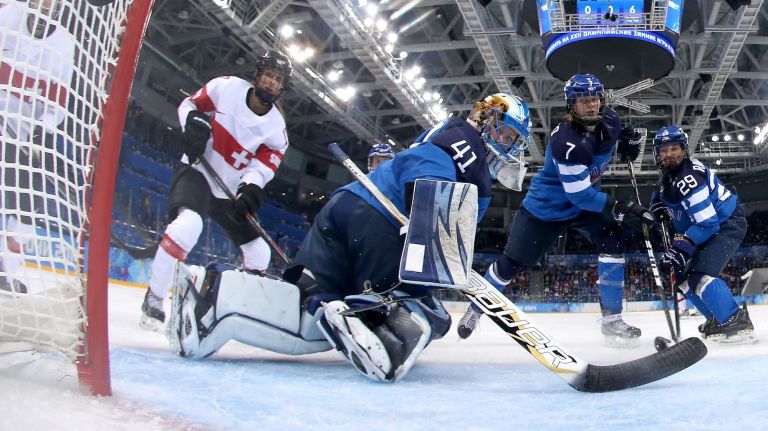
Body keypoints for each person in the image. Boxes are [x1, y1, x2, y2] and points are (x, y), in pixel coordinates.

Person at [167, 93, 534, 382]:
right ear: (485, 121)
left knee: (308, 314)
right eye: (507, 133)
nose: (510, 146)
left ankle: (211, 297)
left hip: (343, 210)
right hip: (379, 224)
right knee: (431, 313)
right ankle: (367, 319)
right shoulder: (465, 142)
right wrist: (429, 223)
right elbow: (427, 174)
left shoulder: (448, 134)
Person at [457, 73, 653, 347]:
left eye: (595, 98)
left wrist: (626, 143)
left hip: (581, 205)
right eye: (584, 100)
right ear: (571, 104)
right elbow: (580, 195)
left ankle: (611, 322)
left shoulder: (611, 120)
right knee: (509, 265)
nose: (592, 105)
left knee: (613, 241)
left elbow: (610, 144)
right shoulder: (567, 143)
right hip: (545, 211)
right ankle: (475, 310)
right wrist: (618, 207)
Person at [140, 50, 293, 330]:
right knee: (188, 226)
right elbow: (189, 105)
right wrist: (193, 125)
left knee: (260, 253)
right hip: (198, 171)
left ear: (282, 87)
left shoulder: (277, 130)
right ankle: (154, 298)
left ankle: (242, 311)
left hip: (229, 192)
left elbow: (263, 167)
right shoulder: (226, 87)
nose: (271, 82)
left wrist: (250, 187)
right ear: (257, 75)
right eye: (269, 75)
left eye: (277, 79)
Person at [649, 125, 756, 343]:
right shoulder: (670, 175)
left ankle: (735, 320)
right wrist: (657, 204)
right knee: (681, 277)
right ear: (657, 153)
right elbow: (665, 192)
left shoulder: (689, 178)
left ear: (684, 150)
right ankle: (716, 318)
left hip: (725, 224)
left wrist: (681, 248)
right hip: (704, 227)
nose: (668, 154)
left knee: (699, 273)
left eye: (674, 149)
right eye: (664, 150)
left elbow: (708, 223)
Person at [0, 0, 75, 293]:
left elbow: (56, 102)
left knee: (29, 207)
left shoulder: (64, 44)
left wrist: (43, 131)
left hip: (25, 135)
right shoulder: (9, 15)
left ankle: (7, 270)